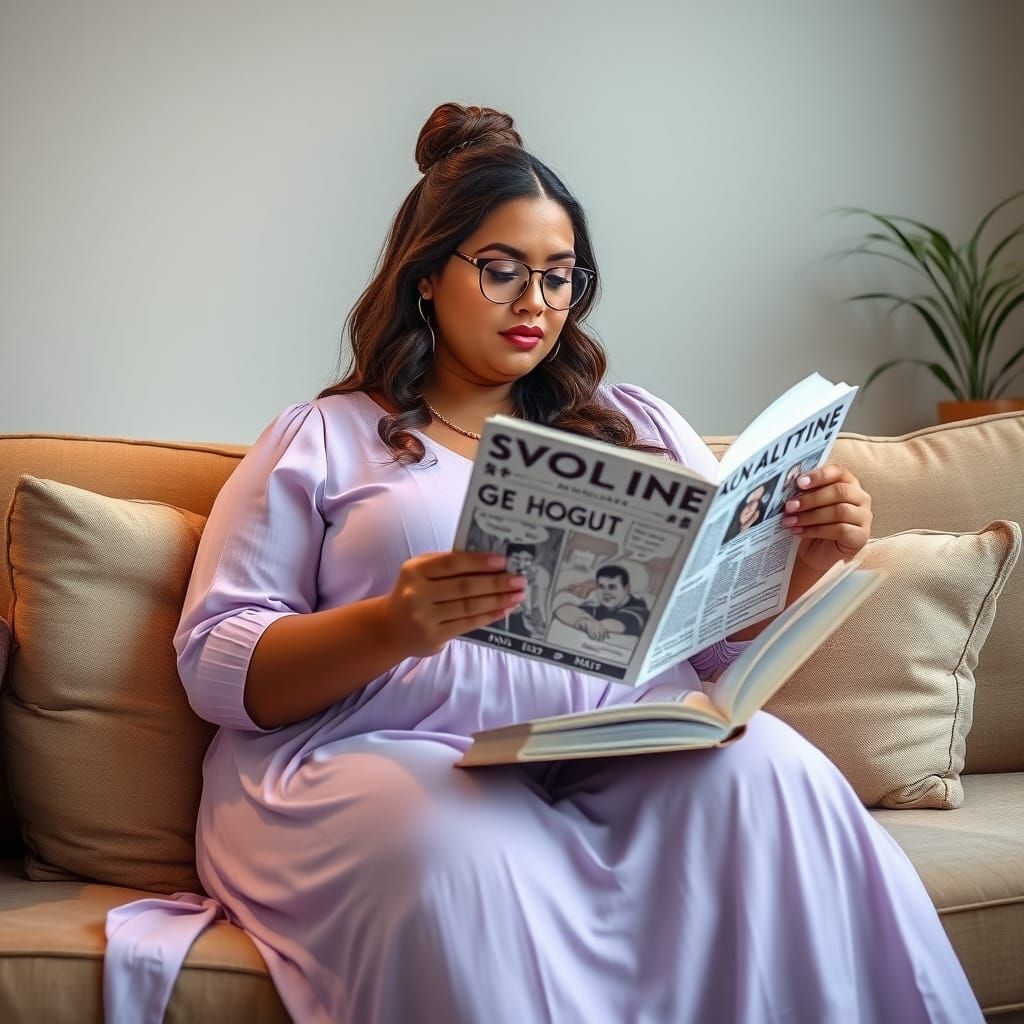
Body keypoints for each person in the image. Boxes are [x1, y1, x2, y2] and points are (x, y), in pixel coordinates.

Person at [102, 102, 983, 1024]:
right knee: (465, 856)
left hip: (614, 748)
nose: (536, 304)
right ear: (426, 279)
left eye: (560, 278)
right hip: (385, 758)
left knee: (777, 774)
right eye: (503, 271)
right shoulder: (323, 440)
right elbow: (216, 664)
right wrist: (392, 624)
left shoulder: (633, 426)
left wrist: (806, 557)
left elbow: (711, 645)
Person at [554, 564, 650, 640]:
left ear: (626, 589)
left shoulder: (639, 611)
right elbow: (562, 610)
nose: (606, 593)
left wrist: (588, 623)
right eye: (601, 587)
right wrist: (584, 621)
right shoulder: (601, 608)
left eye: (612, 587)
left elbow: (614, 625)